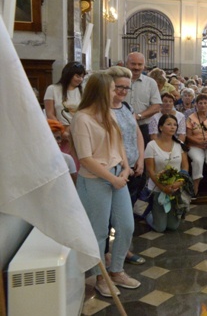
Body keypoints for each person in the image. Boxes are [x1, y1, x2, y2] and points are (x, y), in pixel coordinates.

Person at [70, 72, 140, 298]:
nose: (116, 93)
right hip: (96, 180)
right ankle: (101, 277)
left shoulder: (108, 113)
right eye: (112, 90)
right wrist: (113, 178)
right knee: (99, 231)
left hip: (118, 174)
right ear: (101, 92)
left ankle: (117, 270)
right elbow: (85, 158)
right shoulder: (82, 118)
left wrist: (126, 167)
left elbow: (118, 142)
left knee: (126, 225)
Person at [106, 65, 146, 265]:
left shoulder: (127, 107)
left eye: (126, 88)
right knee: (107, 216)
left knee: (126, 215)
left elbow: (136, 132)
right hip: (114, 169)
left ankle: (123, 251)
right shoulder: (103, 109)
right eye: (118, 87)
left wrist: (140, 159)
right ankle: (106, 253)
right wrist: (124, 165)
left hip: (132, 165)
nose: (122, 91)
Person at [144, 114, 191, 232]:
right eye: (169, 124)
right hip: (157, 189)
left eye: (175, 125)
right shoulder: (152, 145)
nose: (173, 127)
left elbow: (185, 165)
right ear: (160, 127)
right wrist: (162, 187)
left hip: (175, 189)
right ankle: (148, 214)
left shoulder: (179, 144)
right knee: (160, 228)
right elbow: (150, 170)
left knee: (173, 226)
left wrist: (179, 183)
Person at [125, 52, 162, 146]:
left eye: (140, 64)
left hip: (143, 127)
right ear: (127, 64)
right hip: (121, 126)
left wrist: (138, 116)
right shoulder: (117, 82)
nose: (136, 67)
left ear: (144, 66)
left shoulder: (151, 83)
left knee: (143, 156)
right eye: (133, 64)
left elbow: (157, 106)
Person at [185, 93, 207, 196]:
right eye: (200, 103)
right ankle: (194, 189)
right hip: (195, 145)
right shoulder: (191, 118)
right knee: (198, 160)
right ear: (196, 104)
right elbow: (187, 136)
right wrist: (199, 142)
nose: (203, 105)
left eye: (205, 103)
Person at [45, 61, 86, 127]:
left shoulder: (84, 90)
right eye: (77, 76)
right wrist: (62, 130)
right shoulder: (52, 89)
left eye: (82, 77)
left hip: (79, 128)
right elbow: (50, 114)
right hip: (60, 128)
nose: (80, 79)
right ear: (68, 75)